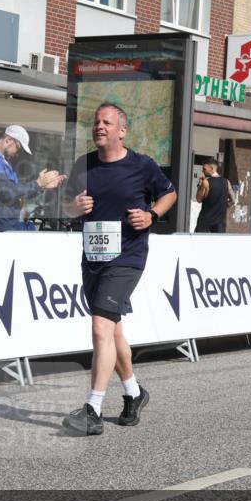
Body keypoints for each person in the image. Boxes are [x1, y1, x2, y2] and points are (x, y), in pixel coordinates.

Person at [61, 102, 177, 435]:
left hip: (128, 257)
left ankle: (93, 410)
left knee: (100, 326)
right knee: (113, 331)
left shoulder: (142, 166)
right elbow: (69, 207)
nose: (99, 127)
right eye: (96, 122)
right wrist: (75, 206)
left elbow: (169, 194)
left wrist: (152, 215)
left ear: (121, 130)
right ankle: (134, 393)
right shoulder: (83, 165)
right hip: (93, 257)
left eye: (107, 123)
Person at [0, 125, 66, 232]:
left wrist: (42, 186)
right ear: (8, 140)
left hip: (7, 225)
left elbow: (16, 192)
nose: (17, 154)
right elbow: (6, 191)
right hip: (0, 229)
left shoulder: (2, 161)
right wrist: (37, 184)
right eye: (18, 148)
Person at [194, 158, 232, 233]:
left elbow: (198, 199)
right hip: (219, 224)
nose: (202, 171)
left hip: (204, 224)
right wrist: (222, 205)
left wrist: (200, 185)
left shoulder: (205, 182)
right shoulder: (227, 182)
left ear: (212, 168)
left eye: (204, 169)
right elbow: (233, 200)